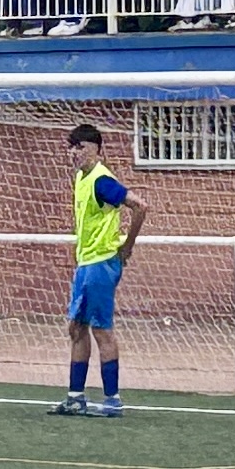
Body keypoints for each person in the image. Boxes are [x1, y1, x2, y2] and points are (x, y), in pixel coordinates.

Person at [50, 122, 148, 417]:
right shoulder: (81, 178)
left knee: (101, 331)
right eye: (72, 147)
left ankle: (113, 400)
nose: (74, 153)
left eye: (81, 147)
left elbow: (140, 206)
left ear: (96, 149)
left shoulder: (101, 181)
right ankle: (75, 397)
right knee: (76, 328)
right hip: (86, 264)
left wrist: (127, 245)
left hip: (101, 264)